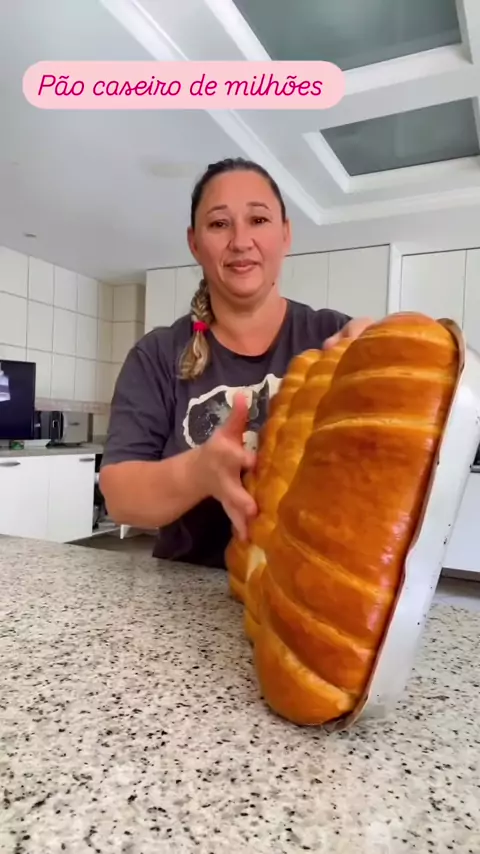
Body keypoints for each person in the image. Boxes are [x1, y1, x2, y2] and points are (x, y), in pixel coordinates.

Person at [100, 157, 372, 568]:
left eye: (258, 220)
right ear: (195, 243)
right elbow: (119, 496)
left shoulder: (333, 338)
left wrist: (386, 348)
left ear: (285, 234)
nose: (241, 241)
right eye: (219, 224)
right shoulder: (156, 355)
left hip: (306, 582)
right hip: (182, 590)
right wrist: (198, 472)